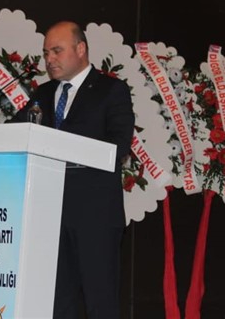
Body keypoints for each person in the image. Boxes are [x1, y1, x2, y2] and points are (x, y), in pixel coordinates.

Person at [10, 21, 135, 318]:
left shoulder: (110, 90)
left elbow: (119, 144)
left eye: (56, 50)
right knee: (56, 304)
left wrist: (66, 148)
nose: (49, 59)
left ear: (80, 49)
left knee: (100, 303)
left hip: (95, 215)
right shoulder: (43, 93)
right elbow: (15, 131)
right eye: (46, 53)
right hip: (49, 215)